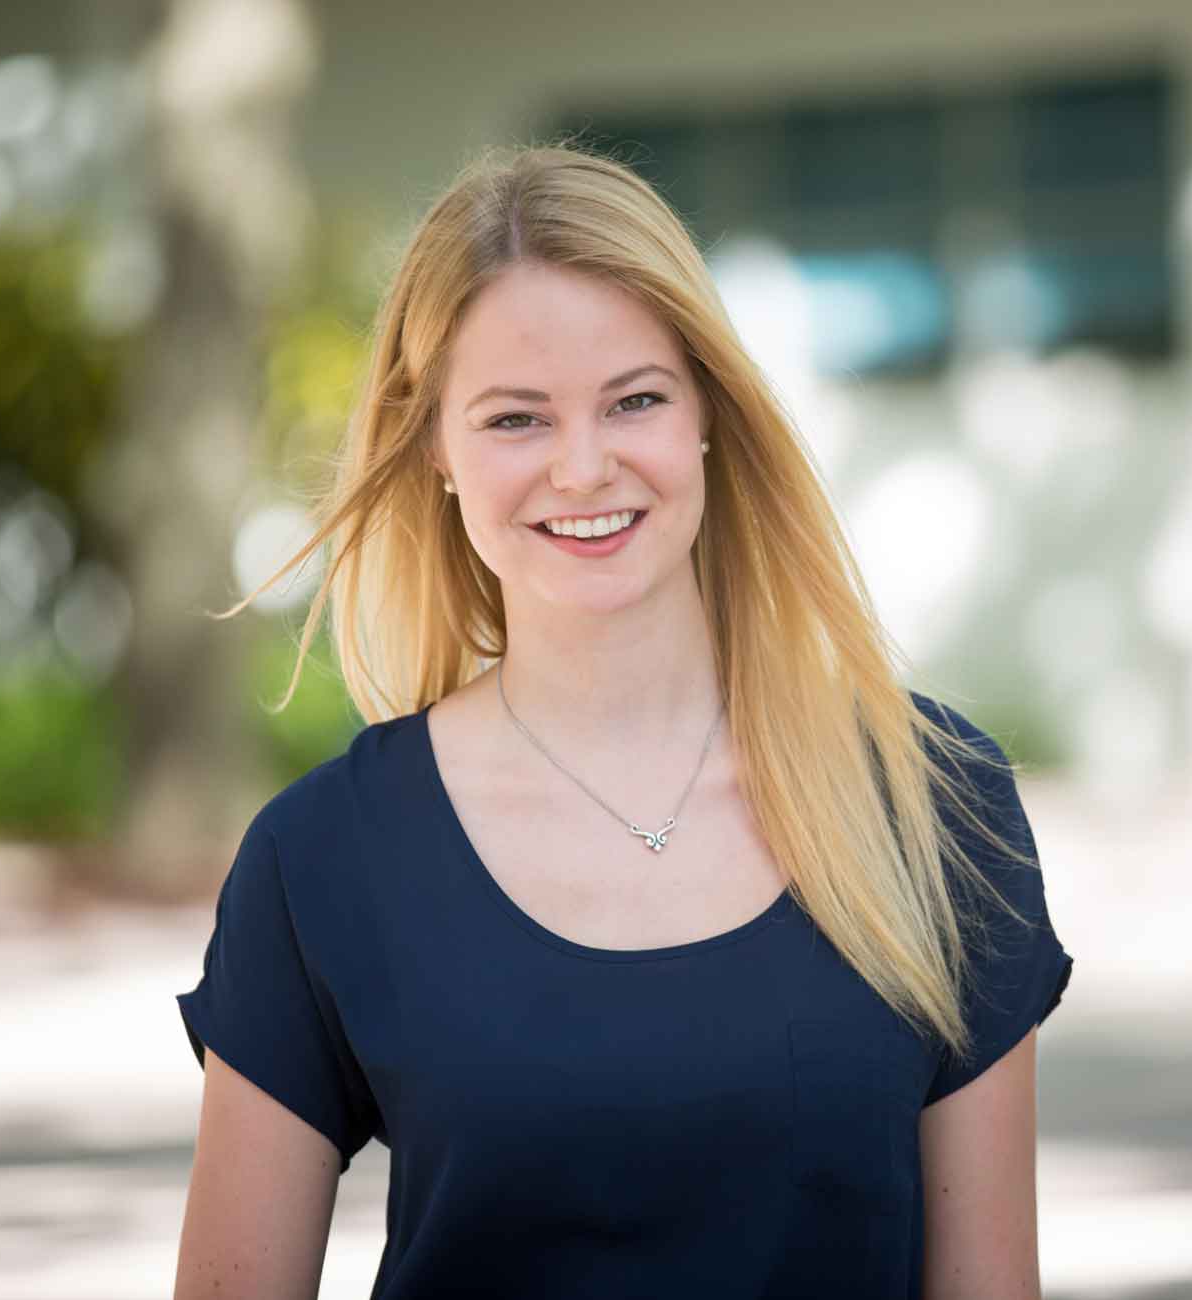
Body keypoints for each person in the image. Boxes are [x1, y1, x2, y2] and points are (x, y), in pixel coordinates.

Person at [172, 140, 1073, 1300]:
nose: (584, 466)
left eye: (634, 399)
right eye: (514, 419)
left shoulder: (932, 801)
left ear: (707, 415)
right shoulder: (322, 860)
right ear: (435, 447)